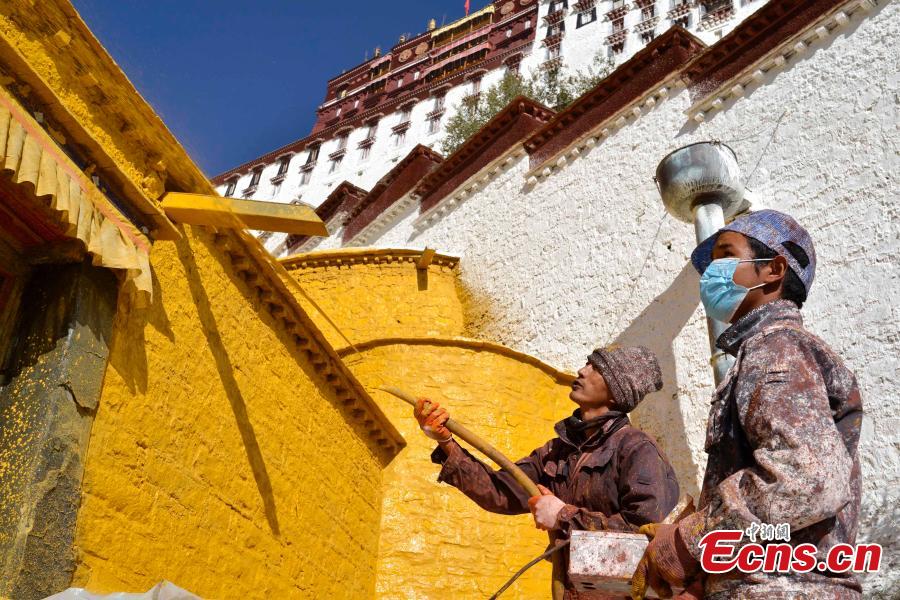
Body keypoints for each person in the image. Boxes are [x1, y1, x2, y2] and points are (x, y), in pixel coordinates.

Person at [633, 210, 863, 599]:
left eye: (726, 255)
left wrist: (693, 540)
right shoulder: (771, 349)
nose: (711, 273)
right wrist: (706, 573)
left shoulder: (776, 346)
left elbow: (807, 479)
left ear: (774, 269)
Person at [415, 345, 679, 599]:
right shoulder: (558, 451)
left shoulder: (636, 449)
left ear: (616, 392)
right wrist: (446, 442)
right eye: (587, 363)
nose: (582, 371)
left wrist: (562, 516)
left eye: (596, 368)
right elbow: (498, 492)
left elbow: (643, 533)